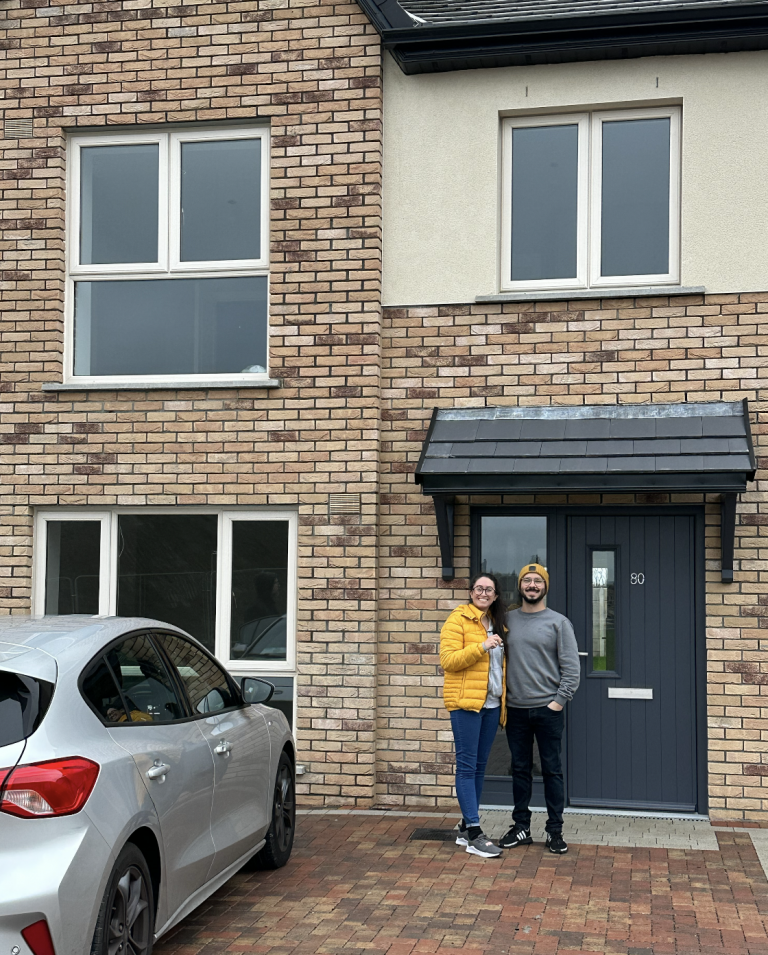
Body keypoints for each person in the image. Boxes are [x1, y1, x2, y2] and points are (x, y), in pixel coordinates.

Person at [499, 563, 580, 854]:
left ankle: (554, 831)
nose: (532, 585)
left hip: (548, 710)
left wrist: (558, 702)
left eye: (537, 581)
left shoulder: (559, 623)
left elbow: (572, 669)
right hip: (516, 710)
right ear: (520, 586)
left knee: (552, 771)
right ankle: (521, 827)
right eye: (527, 581)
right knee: (519, 769)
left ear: (545, 587)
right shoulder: (506, 620)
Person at [440, 572, 507, 859]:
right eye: (479, 588)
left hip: (491, 704)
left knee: (480, 767)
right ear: (470, 592)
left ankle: (467, 825)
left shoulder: (497, 623)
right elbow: (448, 661)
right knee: (466, 767)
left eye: (489, 589)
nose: (483, 593)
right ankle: (475, 834)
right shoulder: (458, 620)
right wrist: (482, 646)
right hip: (466, 705)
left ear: (495, 595)